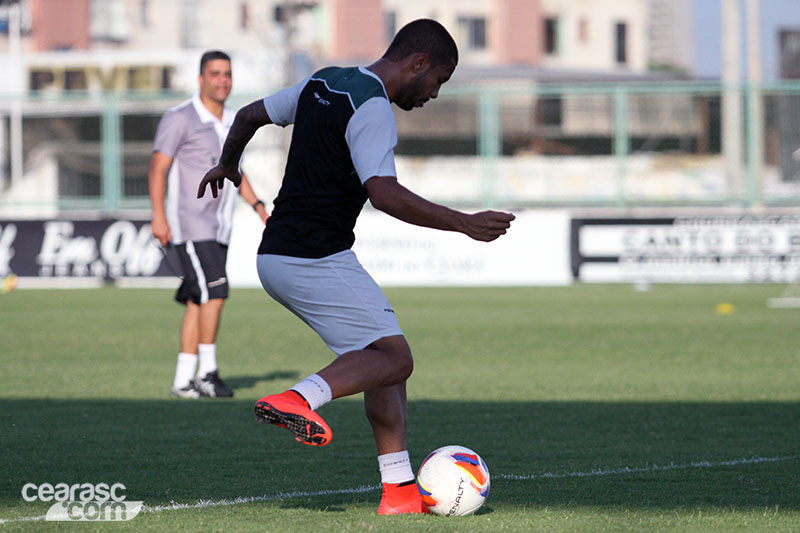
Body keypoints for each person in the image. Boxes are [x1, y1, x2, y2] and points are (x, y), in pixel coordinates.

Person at [198, 20, 514, 513]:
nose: (434, 93)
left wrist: (228, 164)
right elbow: (383, 194)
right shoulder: (372, 108)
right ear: (419, 62)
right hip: (312, 257)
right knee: (397, 357)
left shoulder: (324, 81)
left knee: (382, 360)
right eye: (439, 80)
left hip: (286, 253)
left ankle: (400, 491)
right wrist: (463, 223)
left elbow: (249, 114)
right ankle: (300, 399)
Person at [149, 50, 269, 399]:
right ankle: (208, 373)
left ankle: (183, 380)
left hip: (219, 227)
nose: (222, 80)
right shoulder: (180, 118)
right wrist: (158, 215)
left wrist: (259, 207)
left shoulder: (234, 120)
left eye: (227, 74)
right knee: (216, 292)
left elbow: (236, 172)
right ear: (201, 78)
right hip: (190, 224)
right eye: (215, 73)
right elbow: (159, 168)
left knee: (198, 301)